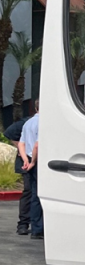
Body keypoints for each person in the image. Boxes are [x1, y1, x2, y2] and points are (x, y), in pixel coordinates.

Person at [17, 102, 42, 241]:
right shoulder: (43, 123)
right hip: (38, 160)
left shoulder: (28, 123)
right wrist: (33, 162)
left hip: (30, 158)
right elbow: (37, 145)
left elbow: (21, 143)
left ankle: (35, 227)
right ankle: (38, 228)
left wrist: (26, 159)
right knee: (40, 194)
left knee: (33, 193)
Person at [4, 116, 31, 235]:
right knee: (29, 191)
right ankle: (23, 223)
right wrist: (22, 149)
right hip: (27, 160)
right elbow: (9, 132)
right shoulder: (28, 122)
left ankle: (37, 224)